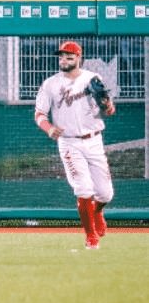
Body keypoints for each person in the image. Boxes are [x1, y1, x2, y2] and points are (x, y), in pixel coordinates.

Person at [34, 40, 116, 250]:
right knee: (83, 188)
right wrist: (49, 128)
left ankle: (97, 212)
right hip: (69, 142)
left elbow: (108, 110)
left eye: (69, 56)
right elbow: (39, 114)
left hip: (94, 139)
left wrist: (107, 105)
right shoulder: (50, 84)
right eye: (61, 56)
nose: (64, 60)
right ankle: (91, 236)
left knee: (106, 194)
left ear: (78, 58)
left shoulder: (92, 78)